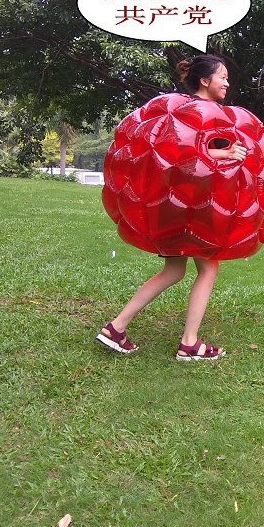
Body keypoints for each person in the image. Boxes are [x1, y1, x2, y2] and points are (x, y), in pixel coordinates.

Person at [96, 55, 247, 361]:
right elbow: (184, 156)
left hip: (172, 206)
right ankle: (190, 343)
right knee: (208, 267)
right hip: (189, 208)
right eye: (222, 77)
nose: (227, 83)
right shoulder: (196, 111)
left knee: (174, 270)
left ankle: (116, 328)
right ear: (204, 80)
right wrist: (226, 153)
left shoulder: (189, 110)